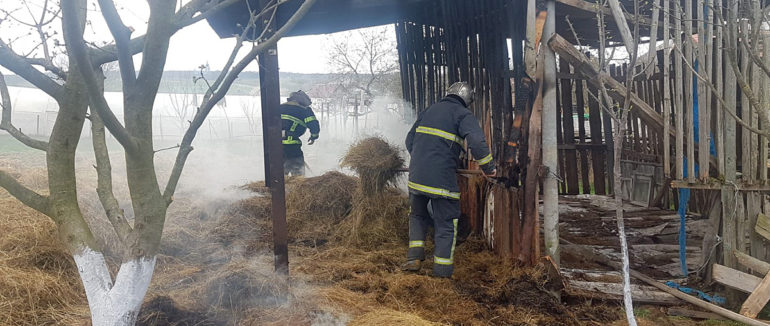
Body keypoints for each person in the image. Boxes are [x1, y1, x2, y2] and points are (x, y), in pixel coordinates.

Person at [402, 81, 496, 278]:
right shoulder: (462, 114)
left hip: (417, 176)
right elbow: (477, 142)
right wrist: (489, 168)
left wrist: (423, 160)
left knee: (417, 215)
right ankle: (442, 272)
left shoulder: (430, 110)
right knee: (446, 222)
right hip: (442, 180)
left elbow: (409, 140)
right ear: (467, 99)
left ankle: (414, 258)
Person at [281, 90, 320, 176]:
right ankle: (297, 181)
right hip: (292, 144)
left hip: (276, 145)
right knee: (298, 171)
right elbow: (313, 124)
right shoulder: (305, 110)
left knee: (279, 173)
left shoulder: (280, 107)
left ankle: (281, 182)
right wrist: (314, 136)